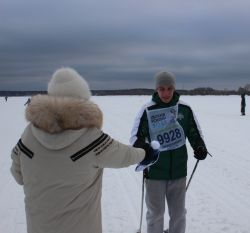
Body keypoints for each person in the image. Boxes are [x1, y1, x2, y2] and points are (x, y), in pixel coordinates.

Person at [10, 67, 155, 233]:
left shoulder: (28, 135)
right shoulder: (91, 138)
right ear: (81, 99)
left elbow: (18, 175)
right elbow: (125, 156)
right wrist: (145, 153)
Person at [130, 71, 208, 233]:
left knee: (179, 213)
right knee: (156, 213)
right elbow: (136, 136)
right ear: (156, 89)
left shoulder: (184, 109)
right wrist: (142, 147)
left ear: (174, 88)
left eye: (169, 88)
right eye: (161, 89)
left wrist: (199, 146)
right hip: (155, 171)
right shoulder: (147, 109)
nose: (165, 93)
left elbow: (194, 131)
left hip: (178, 170)